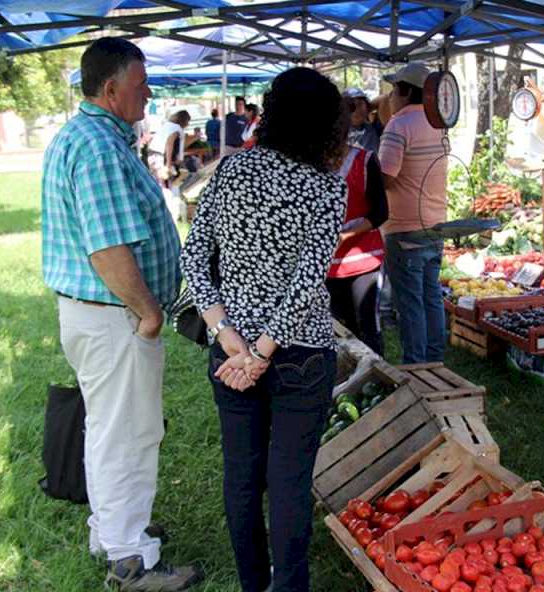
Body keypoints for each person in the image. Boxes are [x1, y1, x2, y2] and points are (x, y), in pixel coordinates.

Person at [179, 67, 348, 592]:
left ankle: (255, 585)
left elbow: (193, 257)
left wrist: (225, 333)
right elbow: (305, 284)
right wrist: (261, 350)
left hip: (230, 354)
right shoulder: (326, 188)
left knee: (242, 478)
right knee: (290, 483)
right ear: (326, 124)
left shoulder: (229, 173)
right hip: (299, 355)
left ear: (271, 114)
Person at [41, 38, 201, 591]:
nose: (149, 92)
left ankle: (113, 530)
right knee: (129, 434)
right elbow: (108, 251)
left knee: (111, 430)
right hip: (115, 315)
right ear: (111, 89)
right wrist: (148, 311)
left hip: (97, 315)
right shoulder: (100, 148)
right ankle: (131, 558)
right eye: (141, 84)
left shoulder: (91, 136)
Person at [378, 62, 449, 364]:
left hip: (404, 227)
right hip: (436, 224)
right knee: (431, 296)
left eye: (393, 89)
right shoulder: (438, 122)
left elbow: (387, 177)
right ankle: (435, 359)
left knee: (410, 303)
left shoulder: (399, 125)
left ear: (405, 91)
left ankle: (416, 365)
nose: (390, 96)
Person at [327, 143, 388, 354]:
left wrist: (345, 235)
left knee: (368, 322)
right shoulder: (310, 163)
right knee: (340, 326)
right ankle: (351, 378)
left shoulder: (365, 160)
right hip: (328, 263)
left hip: (364, 259)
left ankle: (377, 380)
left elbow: (381, 212)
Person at [149, 110, 192, 185]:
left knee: (159, 180)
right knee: (162, 182)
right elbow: (169, 144)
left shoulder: (167, 125)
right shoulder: (176, 128)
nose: (188, 124)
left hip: (153, 154)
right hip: (160, 156)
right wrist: (168, 164)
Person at [342, 88, 381, 154]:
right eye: (351, 106)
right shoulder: (339, 133)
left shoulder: (375, 127)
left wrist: (367, 110)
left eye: (360, 104)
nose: (356, 110)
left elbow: (384, 98)